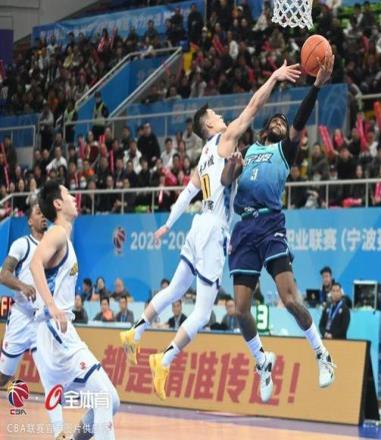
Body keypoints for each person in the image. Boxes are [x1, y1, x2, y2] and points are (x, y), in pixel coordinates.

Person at [120, 61, 301, 400]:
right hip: (214, 228)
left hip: (196, 225)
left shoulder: (203, 156)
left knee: (175, 289)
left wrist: (168, 224)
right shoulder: (224, 139)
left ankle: (135, 331)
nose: (221, 116)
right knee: (203, 313)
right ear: (209, 124)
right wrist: (274, 78)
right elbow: (254, 106)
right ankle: (164, 359)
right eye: (216, 114)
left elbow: (186, 194)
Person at [222, 56, 336, 402]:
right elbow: (226, 182)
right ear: (264, 129)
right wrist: (231, 167)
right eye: (275, 120)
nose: (280, 122)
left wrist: (316, 86)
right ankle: (262, 361)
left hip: (270, 224)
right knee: (240, 309)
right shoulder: (248, 150)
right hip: (244, 228)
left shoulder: (285, 151)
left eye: (283, 123)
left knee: (289, 299)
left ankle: (322, 354)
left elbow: (300, 118)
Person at [30, 181, 119, 439]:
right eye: (68, 194)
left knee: (111, 401)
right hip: (55, 331)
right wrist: (52, 306)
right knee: (104, 397)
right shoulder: (57, 233)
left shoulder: (64, 237)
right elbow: (35, 264)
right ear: (58, 203)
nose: (73, 197)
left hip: (57, 332)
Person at [0, 204, 67, 438]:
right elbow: (4, 274)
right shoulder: (22, 244)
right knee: (3, 377)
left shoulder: (54, 246)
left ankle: (59, 433)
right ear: (29, 221)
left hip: (42, 321)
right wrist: (22, 286)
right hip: (21, 317)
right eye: (38, 213)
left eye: (44, 213)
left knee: (51, 378)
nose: (43, 216)